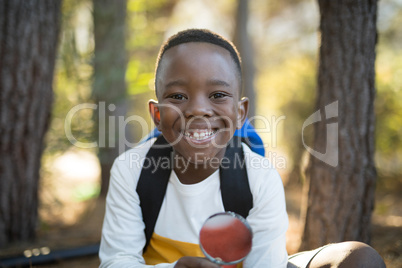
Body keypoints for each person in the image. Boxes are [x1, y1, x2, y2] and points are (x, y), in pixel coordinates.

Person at [99, 29, 385, 268]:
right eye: (178, 96)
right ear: (157, 115)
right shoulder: (132, 170)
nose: (198, 108)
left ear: (239, 113)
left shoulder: (259, 176)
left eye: (218, 95)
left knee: (360, 260)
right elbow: (117, 261)